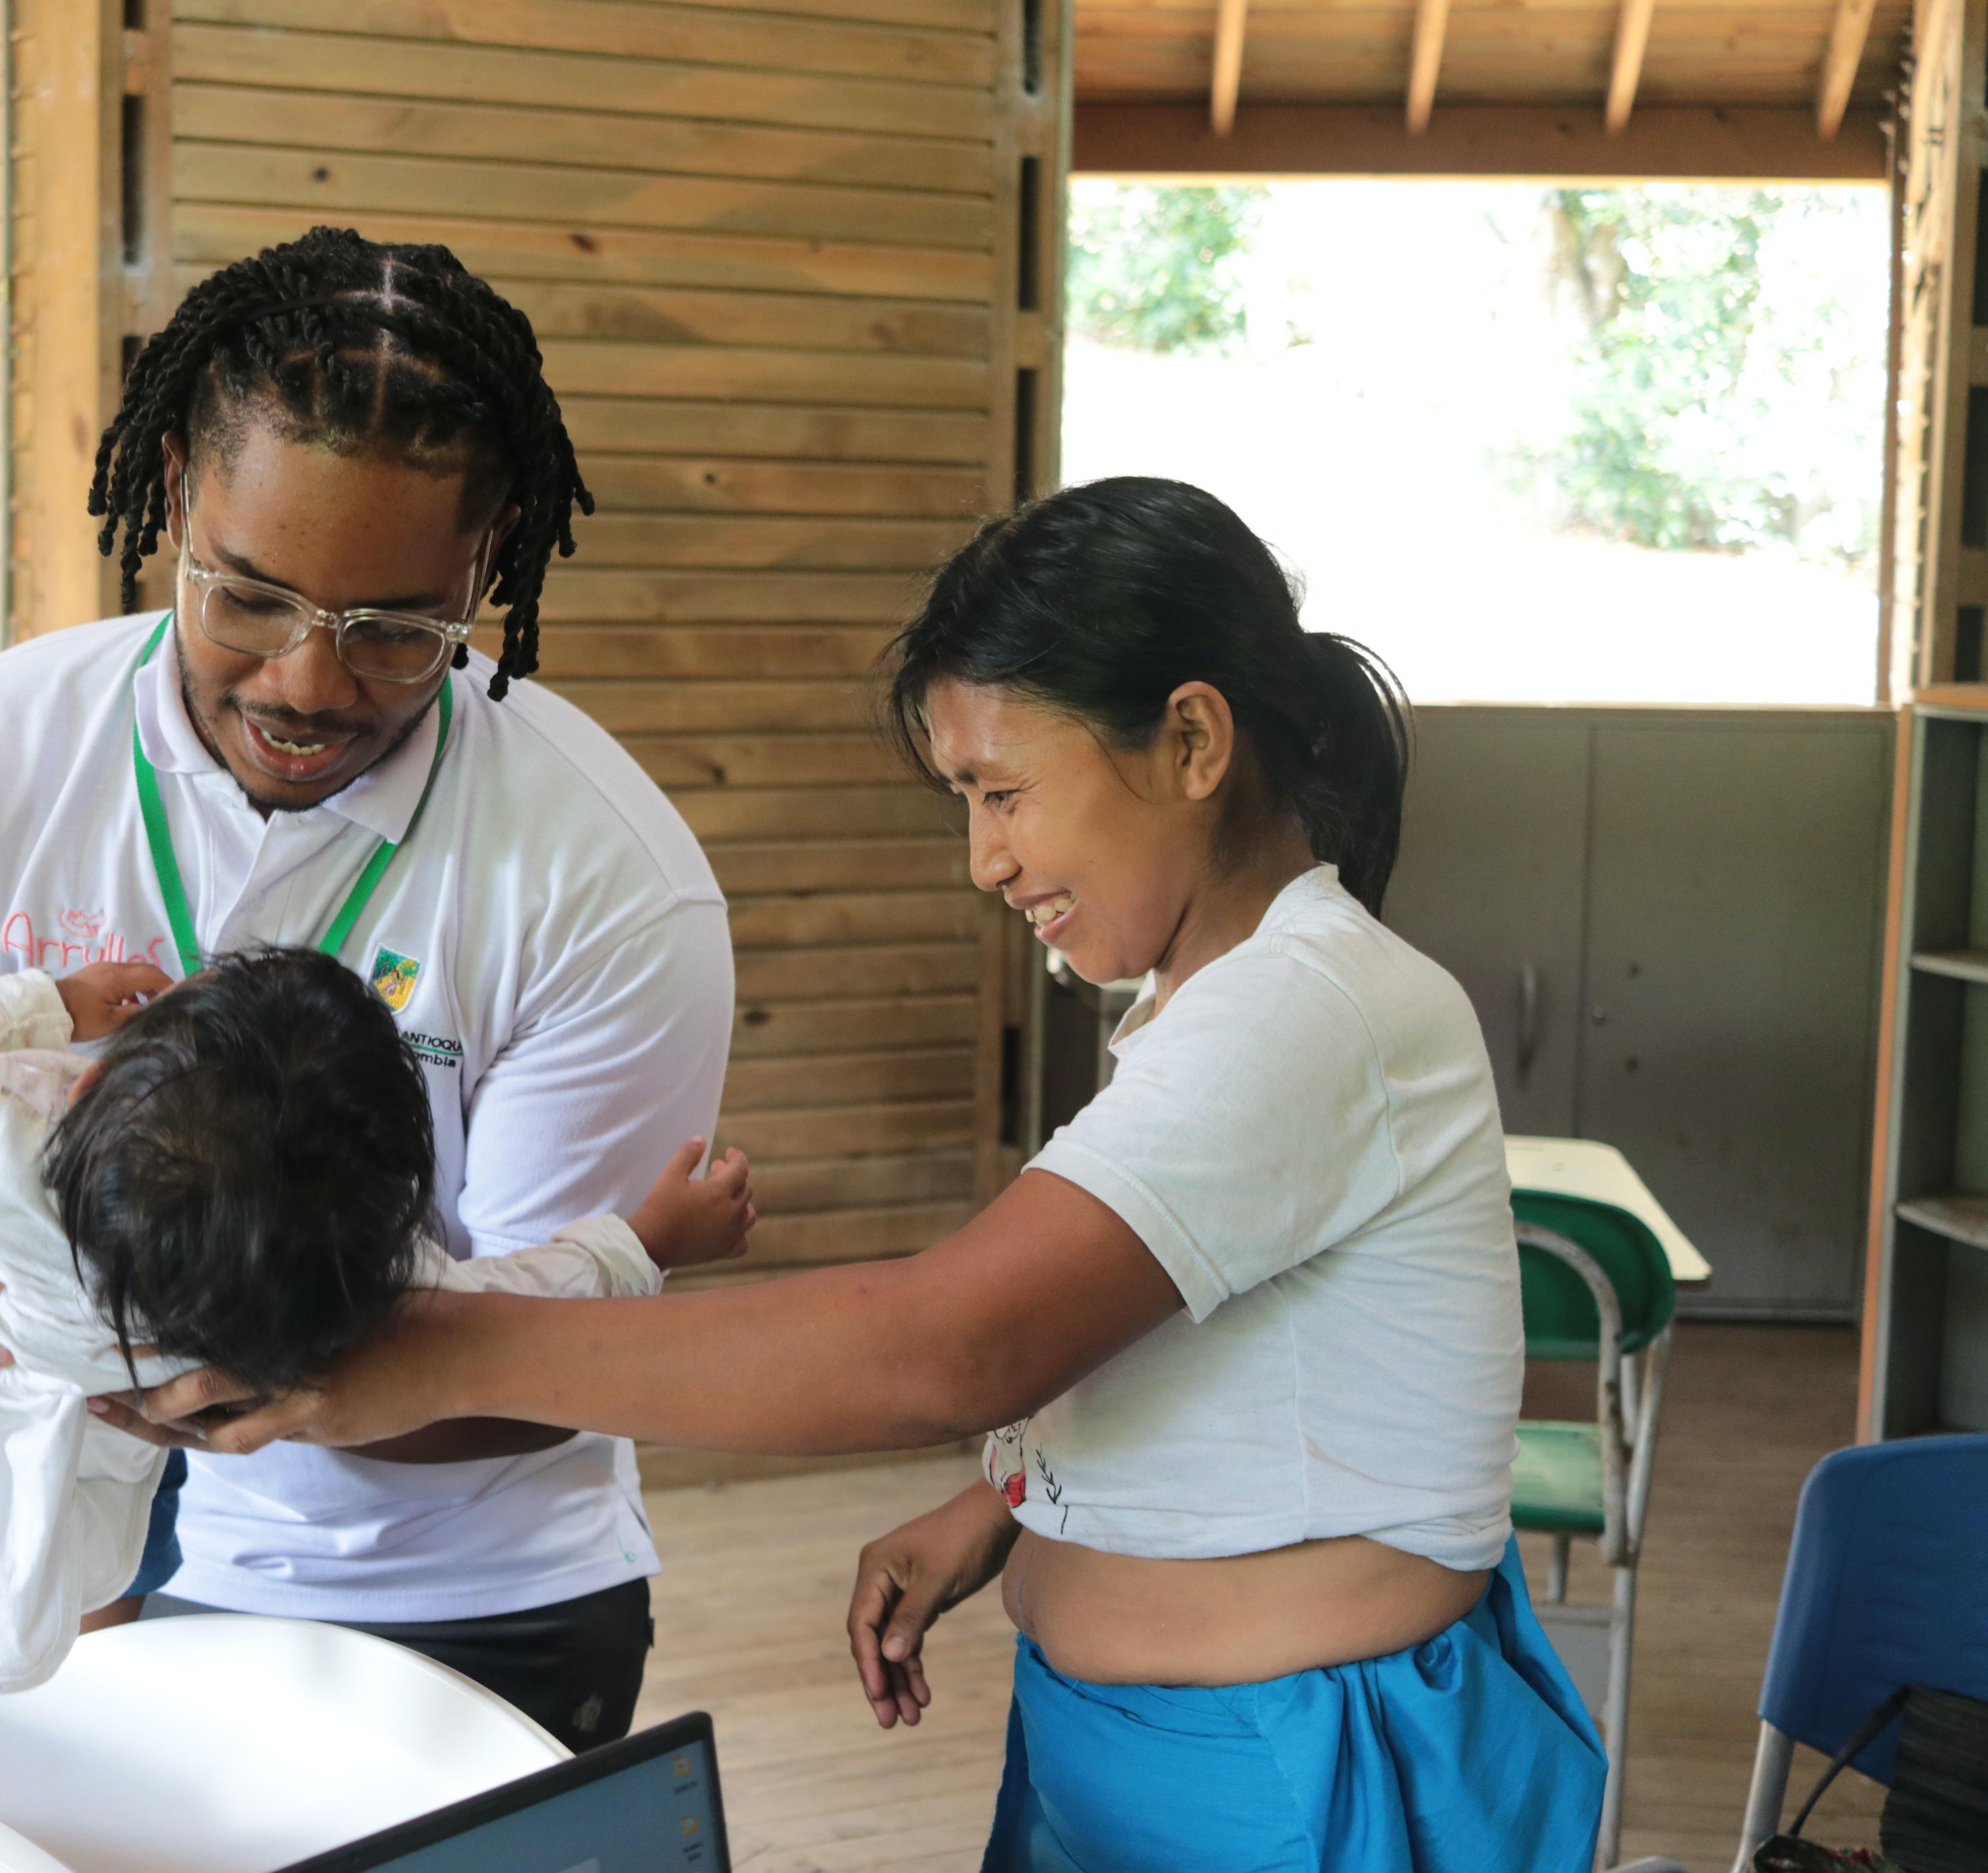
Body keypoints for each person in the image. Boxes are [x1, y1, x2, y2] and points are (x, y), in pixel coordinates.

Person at [122, 480, 1610, 1872]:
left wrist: (423, 1349)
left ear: (1193, 745)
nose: (984, 860)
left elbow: (949, 1343)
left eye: (1001, 791)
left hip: (1299, 1770)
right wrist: (1014, 1507)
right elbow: (1236, 1365)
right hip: (1152, 1740)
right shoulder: (1199, 1006)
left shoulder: (1306, 1008)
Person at [0, 227, 735, 1751]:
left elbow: (543, 1368)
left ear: (490, 553)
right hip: (93, 1573)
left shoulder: (604, 879)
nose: (308, 686)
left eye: (396, 629)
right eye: (246, 597)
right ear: (180, 484)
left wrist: (184, 1360)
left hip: (448, 1592)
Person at [0, 949, 752, 1728]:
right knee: (107, 1582)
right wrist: (648, 1240)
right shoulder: (347, 1275)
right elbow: (517, 1289)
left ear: (89, 1081)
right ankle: (73, 1707)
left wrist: (42, 1001)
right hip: (121, 1476)